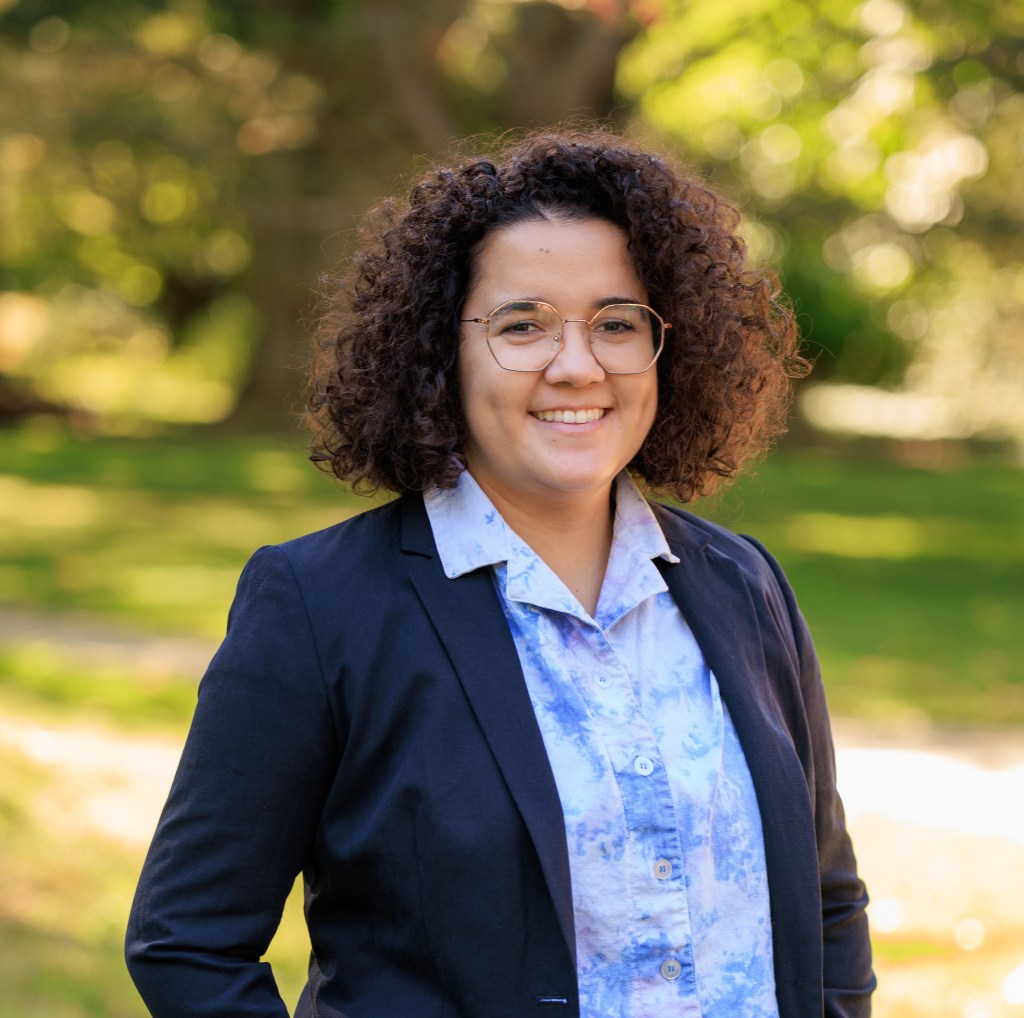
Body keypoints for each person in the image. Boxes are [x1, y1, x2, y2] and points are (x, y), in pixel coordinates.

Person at [125, 125, 874, 1018]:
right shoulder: (322, 604)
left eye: (617, 324)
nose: (576, 366)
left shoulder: (742, 585)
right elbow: (189, 941)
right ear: (441, 351)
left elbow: (826, 897)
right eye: (523, 325)